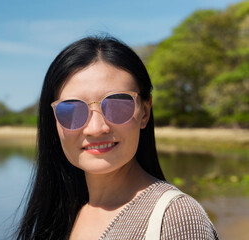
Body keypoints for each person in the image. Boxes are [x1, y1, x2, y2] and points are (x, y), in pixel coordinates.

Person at [15, 36, 218, 239]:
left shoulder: (176, 219)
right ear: (54, 121)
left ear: (144, 112)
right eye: (72, 110)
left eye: (117, 106)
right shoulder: (63, 216)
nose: (95, 128)